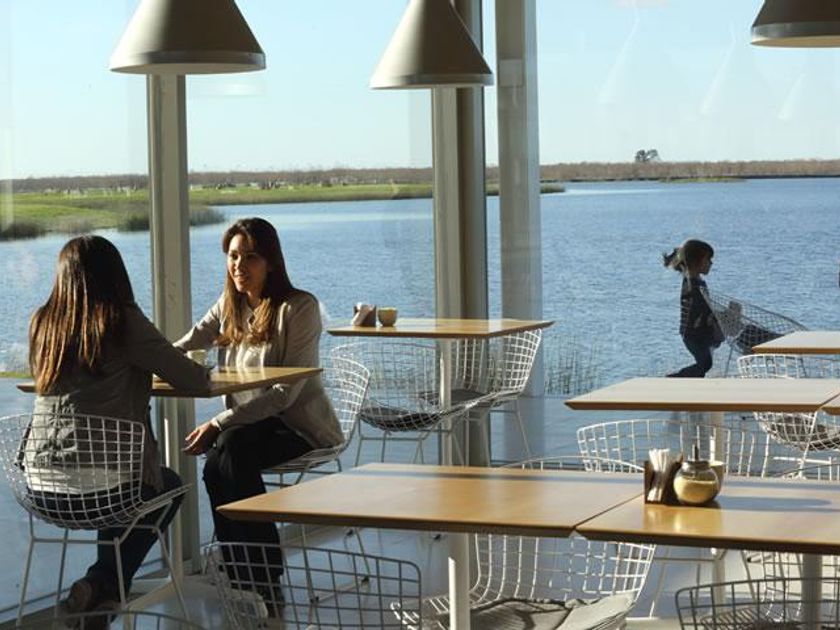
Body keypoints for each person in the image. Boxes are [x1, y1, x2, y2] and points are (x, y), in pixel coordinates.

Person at [26, 235, 210, 622]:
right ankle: (100, 585)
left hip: (39, 488)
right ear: (116, 275)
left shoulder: (43, 324)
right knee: (167, 485)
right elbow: (192, 379)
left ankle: (98, 601)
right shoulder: (120, 320)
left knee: (116, 489)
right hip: (99, 490)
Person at [176, 217, 340, 588]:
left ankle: (264, 575)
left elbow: (285, 395)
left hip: (300, 428)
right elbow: (190, 342)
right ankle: (241, 573)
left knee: (231, 447)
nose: (239, 265)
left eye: (250, 257)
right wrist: (150, 363)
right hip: (248, 427)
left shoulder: (298, 308)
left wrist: (218, 422)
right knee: (216, 463)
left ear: (271, 262)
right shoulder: (229, 305)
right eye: (233, 256)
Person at [663, 238, 722, 377]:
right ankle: (674, 378)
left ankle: (689, 381)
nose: (711, 263)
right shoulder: (692, 285)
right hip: (693, 335)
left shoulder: (697, 282)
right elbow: (698, 309)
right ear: (696, 262)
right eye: (708, 259)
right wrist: (715, 318)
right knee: (705, 363)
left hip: (701, 331)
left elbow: (705, 307)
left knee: (704, 363)